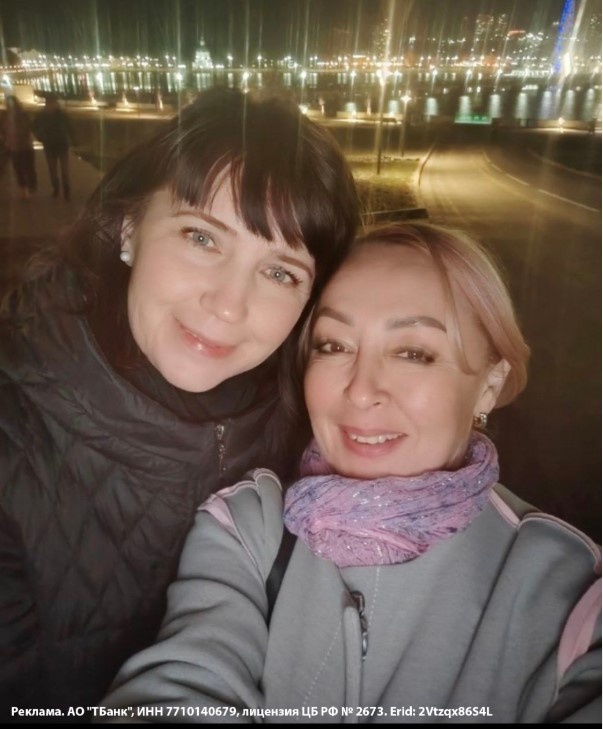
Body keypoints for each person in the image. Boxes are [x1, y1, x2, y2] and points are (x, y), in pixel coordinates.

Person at [99, 223, 601, 723]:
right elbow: (185, 681)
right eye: (334, 345)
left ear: (490, 384)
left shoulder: (572, 595)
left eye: (413, 353)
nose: (361, 391)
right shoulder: (250, 528)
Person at [0, 86, 359, 718]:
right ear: (128, 226)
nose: (228, 305)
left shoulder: (313, 436)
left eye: (280, 272)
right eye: (202, 237)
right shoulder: (15, 438)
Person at [33, 94, 75, 200]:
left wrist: (72, 140)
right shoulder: (41, 116)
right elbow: (34, 127)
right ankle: (56, 188)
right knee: (53, 169)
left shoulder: (62, 115)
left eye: (53, 103)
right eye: (50, 103)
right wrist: (40, 137)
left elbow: (70, 128)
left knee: (64, 169)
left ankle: (66, 190)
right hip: (50, 145)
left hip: (61, 145)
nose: (52, 106)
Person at [0, 95, 37, 198]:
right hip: (13, 147)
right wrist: (5, 139)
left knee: (29, 168)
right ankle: (23, 189)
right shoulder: (4, 116)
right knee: (18, 169)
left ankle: (31, 186)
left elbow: (29, 127)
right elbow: (2, 130)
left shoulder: (23, 115)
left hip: (26, 146)